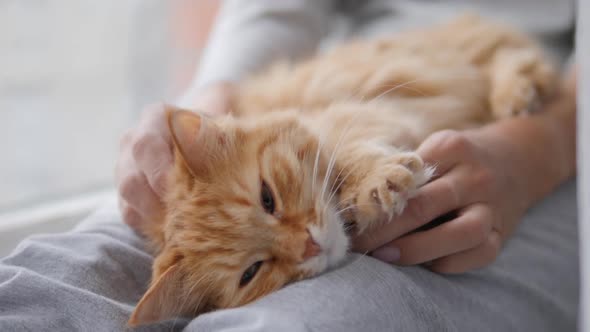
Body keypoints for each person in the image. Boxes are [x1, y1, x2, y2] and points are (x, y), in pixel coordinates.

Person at [0, 1, 581, 331]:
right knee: (48, 283)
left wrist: (548, 145)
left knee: (315, 322)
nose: (301, 246)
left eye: (270, 205)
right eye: (256, 267)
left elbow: (354, 132)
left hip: (557, 107)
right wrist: (210, 103)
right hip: (303, 85)